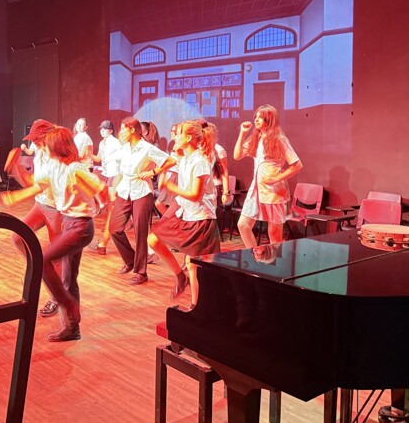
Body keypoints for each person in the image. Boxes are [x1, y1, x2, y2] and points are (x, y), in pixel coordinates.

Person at [2, 126, 104, 342]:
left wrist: (97, 204)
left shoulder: (76, 169)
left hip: (80, 226)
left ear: (56, 147)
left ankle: (66, 303)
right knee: (68, 277)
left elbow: (99, 189)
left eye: (45, 144)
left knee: (45, 261)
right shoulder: (55, 166)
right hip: (69, 222)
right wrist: (16, 196)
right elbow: (37, 185)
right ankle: (72, 327)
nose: (41, 147)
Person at [147, 120, 221, 306]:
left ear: (188, 138)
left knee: (193, 264)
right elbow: (169, 164)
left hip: (200, 217)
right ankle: (181, 277)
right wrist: (161, 173)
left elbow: (195, 195)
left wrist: (172, 187)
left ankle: (195, 306)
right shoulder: (186, 158)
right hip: (186, 211)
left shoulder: (200, 161)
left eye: (178, 134)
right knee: (153, 239)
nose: (175, 137)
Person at [7, 119, 65, 318]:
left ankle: (57, 297)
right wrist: (17, 168)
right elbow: (34, 181)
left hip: (57, 209)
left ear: (48, 136)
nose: (34, 142)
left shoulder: (57, 155)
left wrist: (16, 196)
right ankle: (38, 266)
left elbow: (41, 186)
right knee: (18, 237)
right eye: (33, 139)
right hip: (41, 205)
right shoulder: (39, 152)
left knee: (56, 257)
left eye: (37, 138)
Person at [109, 117, 175, 285]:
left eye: (123, 129)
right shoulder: (124, 148)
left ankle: (141, 272)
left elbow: (171, 161)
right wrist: (114, 189)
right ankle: (130, 260)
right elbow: (120, 172)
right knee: (114, 228)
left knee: (140, 232)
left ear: (132, 130)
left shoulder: (147, 148)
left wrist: (153, 172)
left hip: (142, 192)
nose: (121, 132)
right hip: (125, 190)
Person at [233, 104, 303, 248]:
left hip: (273, 192)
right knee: (243, 225)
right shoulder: (255, 138)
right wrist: (242, 133)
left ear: (269, 120)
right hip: (256, 190)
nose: (256, 120)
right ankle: (255, 255)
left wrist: (276, 179)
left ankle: (275, 261)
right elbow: (237, 155)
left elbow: (297, 165)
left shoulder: (279, 139)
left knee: (274, 235)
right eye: (256, 116)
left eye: (261, 117)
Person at [87, 119, 122, 255]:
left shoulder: (115, 142)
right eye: (101, 129)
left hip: (115, 175)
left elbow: (122, 159)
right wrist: (87, 154)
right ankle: (104, 243)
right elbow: (98, 159)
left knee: (112, 208)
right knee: (111, 208)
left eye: (104, 129)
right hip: (107, 174)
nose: (102, 131)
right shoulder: (102, 143)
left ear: (111, 131)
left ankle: (104, 242)